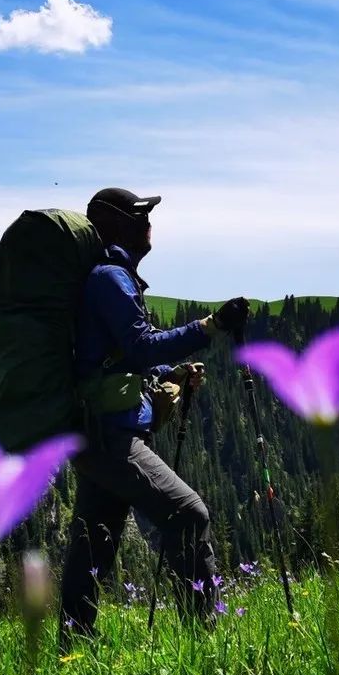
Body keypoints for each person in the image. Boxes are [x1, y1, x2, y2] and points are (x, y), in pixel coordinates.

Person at [59, 187, 248, 647]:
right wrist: (210, 327)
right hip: (111, 436)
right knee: (188, 513)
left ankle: (72, 647)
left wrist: (173, 372)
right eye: (142, 214)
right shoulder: (110, 278)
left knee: (93, 543)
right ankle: (203, 640)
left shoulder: (111, 278)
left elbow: (125, 356)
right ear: (119, 224)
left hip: (100, 431)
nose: (149, 222)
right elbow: (141, 344)